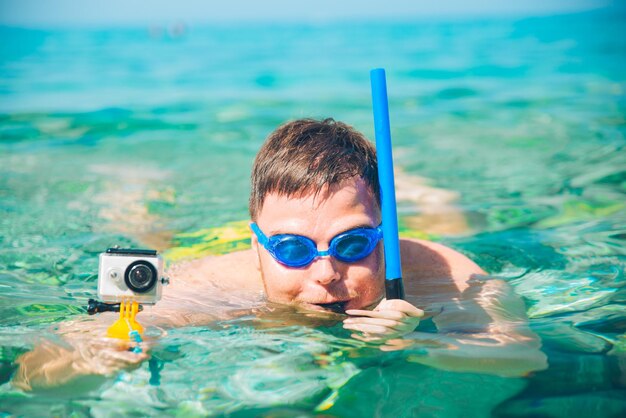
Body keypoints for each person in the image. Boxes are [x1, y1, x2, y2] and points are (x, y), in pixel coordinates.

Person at [13, 118, 547, 391]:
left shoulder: (450, 274)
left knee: (453, 218)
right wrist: (103, 348)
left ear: (385, 233)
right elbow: (35, 370)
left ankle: (413, 185)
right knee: (146, 237)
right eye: (292, 250)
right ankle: (135, 189)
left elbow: (525, 360)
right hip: (204, 249)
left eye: (353, 243)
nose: (326, 275)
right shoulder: (214, 285)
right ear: (257, 246)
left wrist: (424, 343)